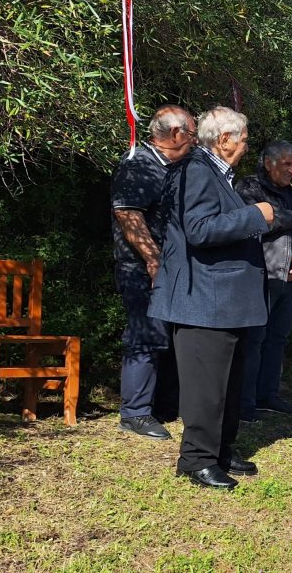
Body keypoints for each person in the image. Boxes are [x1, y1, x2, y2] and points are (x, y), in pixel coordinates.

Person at [149, 106, 275, 490]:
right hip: (203, 300)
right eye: (244, 139)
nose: (246, 146)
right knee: (206, 385)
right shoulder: (197, 171)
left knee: (228, 381)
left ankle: (219, 449)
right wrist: (256, 215)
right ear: (223, 140)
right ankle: (196, 459)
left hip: (224, 300)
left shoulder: (217, 174)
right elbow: (200, 229)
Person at [111, 105, 194, 440]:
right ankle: (135, 413)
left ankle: (163, 405)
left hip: (170, 267)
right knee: (146, 335)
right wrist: (153, 259)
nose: (194, 139)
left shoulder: (174, 168)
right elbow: (128, 214)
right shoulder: (139, 164)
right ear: (174, 134)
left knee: (168, 338)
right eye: (191, 132)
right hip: (141, 268)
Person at [235, 140, 292, 419]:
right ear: (269, 163)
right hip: (260, 277)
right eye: (287, 164)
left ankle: (268, 395)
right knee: (253, 341)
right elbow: (255, 223)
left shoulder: (291, 193)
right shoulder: (250, 188)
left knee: (277, 340)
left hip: (288, 281)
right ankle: (244, 402)